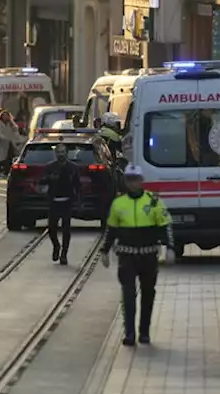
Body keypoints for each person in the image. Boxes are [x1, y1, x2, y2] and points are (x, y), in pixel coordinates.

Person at [99, 165, 172, 346]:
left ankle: (144, 332)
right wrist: (104, 251)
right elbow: (111, 229)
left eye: (136, 179)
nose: (133, 183)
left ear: (141, 181)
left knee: (148, 294)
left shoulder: (153, 201)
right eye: (129, 179)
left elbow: (165, 225)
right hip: (127, 256)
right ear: (126, 182)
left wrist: (169, 247)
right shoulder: (118, 204)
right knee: (128, 295)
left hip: (148, 256)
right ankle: (129, 333)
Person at [44, 144, 81, 265]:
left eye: (63, 152)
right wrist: (50, 178)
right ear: (56, 154)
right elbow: (42, 181)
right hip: (54, 201)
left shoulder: (73, 168)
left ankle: (64, 254)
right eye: (58, 152)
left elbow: (77, 185)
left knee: (66, 229)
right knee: (51, 228)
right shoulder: (50, 167)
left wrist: (79, 200)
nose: (61, 154)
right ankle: (56, 246)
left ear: (67, 153)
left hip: (67, 202)